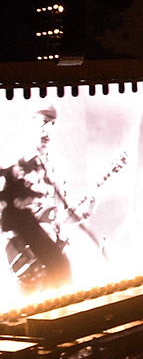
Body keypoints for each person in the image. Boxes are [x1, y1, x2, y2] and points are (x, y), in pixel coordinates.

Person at [0, 105, 84, 294]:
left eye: (53, 124)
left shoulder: (58, 166)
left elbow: (62, 214)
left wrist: (85, 211)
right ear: (30, 124)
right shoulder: (12, 165)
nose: (48, 130)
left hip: (52, 250)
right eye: (44, 123)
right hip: (22, 254)